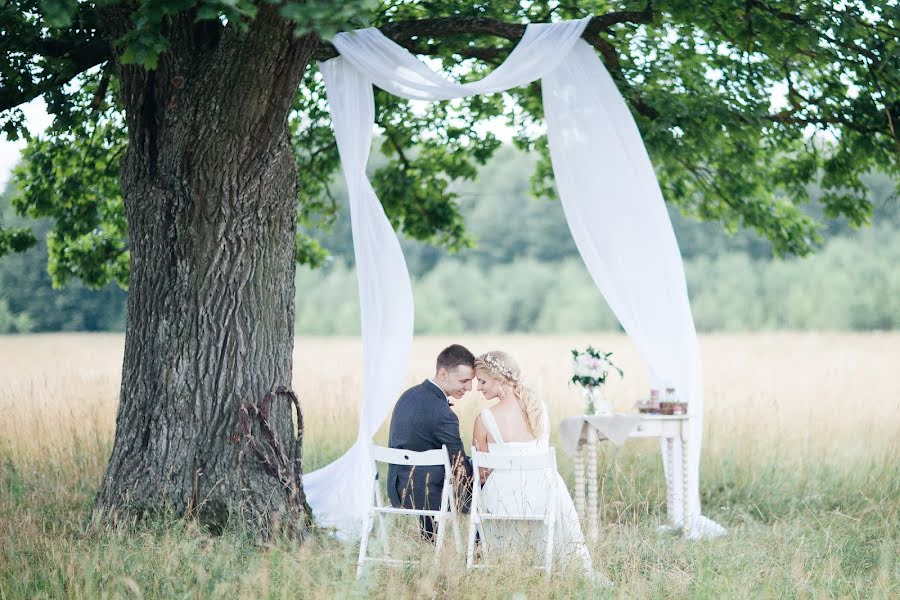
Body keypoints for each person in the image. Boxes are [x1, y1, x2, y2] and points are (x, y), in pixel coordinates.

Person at [472, 350, 594, 575]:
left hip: (502, 502)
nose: (478, 388)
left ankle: (504, 565)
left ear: (499, 379)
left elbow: (481, 473)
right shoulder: (540, 410)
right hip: (543, 497)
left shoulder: (484, 419)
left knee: (489, 493)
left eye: (482, 381)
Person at [387, 344, 475, 541]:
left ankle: (431, 541)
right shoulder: (444, 414)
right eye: (465, 380)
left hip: (397, 490)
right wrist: (479, 471)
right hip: (430, 496)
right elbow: (459, 467)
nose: (469, 387)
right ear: (443, 373)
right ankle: (478, 550)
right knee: (487, 484)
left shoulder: (408, 396)